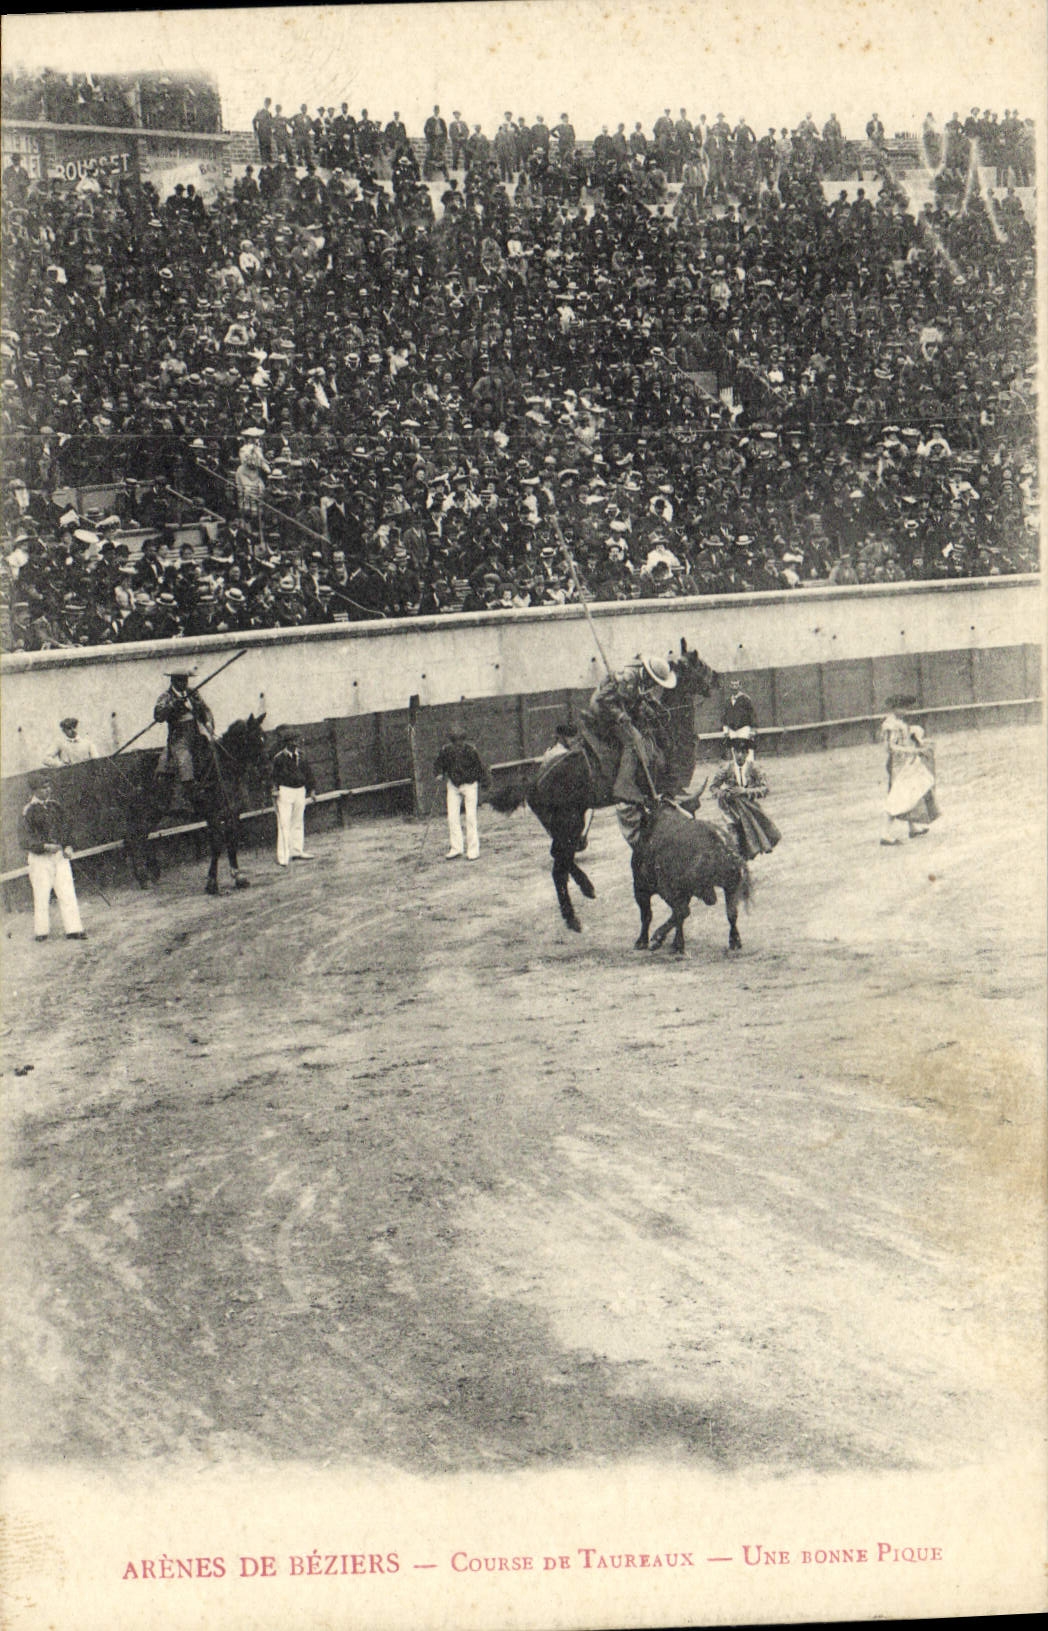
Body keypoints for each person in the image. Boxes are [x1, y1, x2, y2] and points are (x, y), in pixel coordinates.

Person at [585, 654, 677, 805]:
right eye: (654, 681)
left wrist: (650, 711)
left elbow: (636, 699)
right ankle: (624, 786)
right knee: (634, 741)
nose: (653, 685)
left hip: (614, 709)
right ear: (648, 675)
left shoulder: (639, 679)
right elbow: (603, 699)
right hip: (601, 711)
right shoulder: (628, 678)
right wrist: (620, 715)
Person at [19, 769, 87, 942]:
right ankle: (41, 931)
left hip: (59, 856)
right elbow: (24, 839)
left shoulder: (55, 806)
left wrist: (69, 846)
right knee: (41, 894)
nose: (47, 790)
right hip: (40, 860)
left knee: (67, 891)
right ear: (34, 790)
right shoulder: (28, 811)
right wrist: (43, 847)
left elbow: (67, 828)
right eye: (43, 788)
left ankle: (74, 929)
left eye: (48, 786)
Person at [879, 696, 939, 845]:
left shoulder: (899, 723)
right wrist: (913, 750)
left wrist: (918, 741)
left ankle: (912, 828)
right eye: (902, 708)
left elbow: (905, 740)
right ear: (894, 708)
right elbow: (890, 747)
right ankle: (885, 834)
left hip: (907, 762)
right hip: (898, 765)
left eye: (906, 708)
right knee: (897, 797)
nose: (905, 711)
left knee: (912, 792)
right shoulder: (890, 725)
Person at [709, 738, 781, 859]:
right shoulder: (726, 768)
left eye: (743, 752)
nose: (739, 755)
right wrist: (724, 793)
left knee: (749, 837)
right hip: (730, 807)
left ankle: (744, 858)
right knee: (734, 836)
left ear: (747, 753)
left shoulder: (754, 768)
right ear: (733, 752)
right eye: (737, 752)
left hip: (749, 808)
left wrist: (745, 791)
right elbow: (713, 787)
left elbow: (765, 789)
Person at [154, 666, 214, 809]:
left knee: (212, 754)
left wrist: (208, 723)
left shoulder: (193, 693)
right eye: (180, 680)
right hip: (179, 737)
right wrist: (172, 706)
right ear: (173, 681)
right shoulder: (166, 697)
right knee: (184, 759)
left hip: (196, 734)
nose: (184, 683)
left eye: (185, 680)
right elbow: (158, 716)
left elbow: (205, 709)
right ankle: (189, 794)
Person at [434, 725, 489, 860]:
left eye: (460, 741)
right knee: (452, 817)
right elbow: (438, 764)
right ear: (451, 741)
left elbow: (480, 768)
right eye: (455, 741)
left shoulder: (471, 751)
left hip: (469, 785)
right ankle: (456, 848)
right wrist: (439, 773)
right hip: (453, 785)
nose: (457, 744)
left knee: (470, 818)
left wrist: (483, 782)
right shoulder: (446, 750)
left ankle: (473, 850)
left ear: (464, 740)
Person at [270, 727, 317, 865]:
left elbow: (308, 774)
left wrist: (312, 790)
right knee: (284, 823)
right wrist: (275, 789)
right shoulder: (279, 758)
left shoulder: (302, 756)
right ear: (287, 742)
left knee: (298, 821)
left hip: (300, 791)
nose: (296, 742)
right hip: (285, 791)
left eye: (297, 739)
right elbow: (273, 777)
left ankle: (296, 851)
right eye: (293, 740)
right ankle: (283, 856)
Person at [722, 677, 757, 771]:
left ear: (740, 686)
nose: (734, 687)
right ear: (730, 687)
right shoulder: (728, 701)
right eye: (732, 685)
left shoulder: (746, 699)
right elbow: (725, 716)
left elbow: (752, 715)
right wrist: (725, 730)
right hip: (732, 730)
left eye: (736, 685)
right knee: (735, 751)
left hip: (744, 729)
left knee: (746, 749)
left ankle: (750, 770)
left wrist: (752, 730)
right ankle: (737, 772)